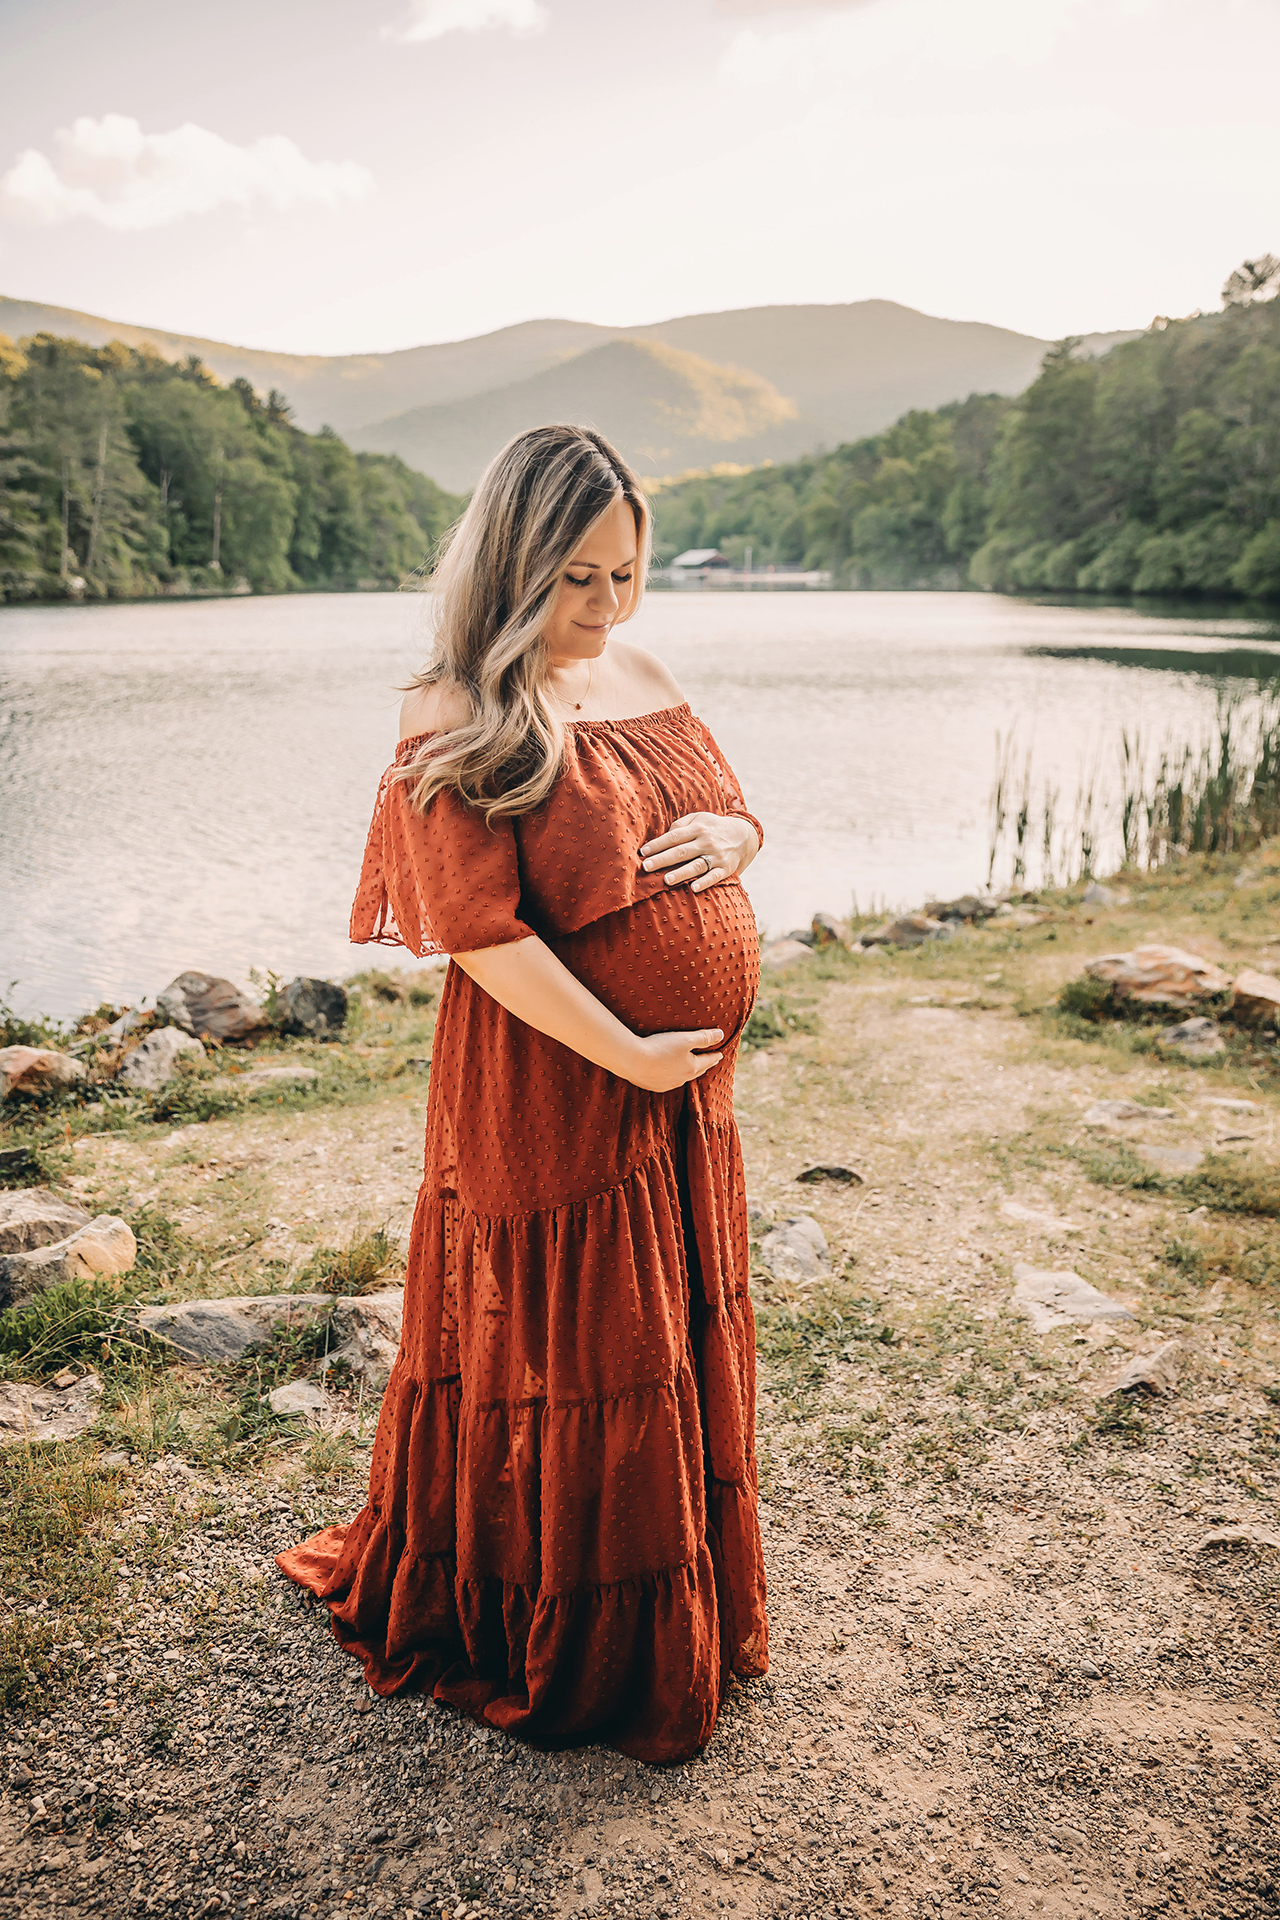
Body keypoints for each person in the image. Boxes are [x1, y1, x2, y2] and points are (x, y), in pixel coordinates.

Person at [278, 423, 769, 1763]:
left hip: (676, 1101)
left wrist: (742, 832)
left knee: (656, 1348)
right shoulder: (454, 707)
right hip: (557, 1079)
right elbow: (479, 932)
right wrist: (623, 1053)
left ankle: (676, 1612)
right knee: (575, 1354)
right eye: (575, 581)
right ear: (511, 562)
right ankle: (567, 1634)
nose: (605, 607)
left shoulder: (648, 669)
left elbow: (722, 818)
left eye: (625, 574)